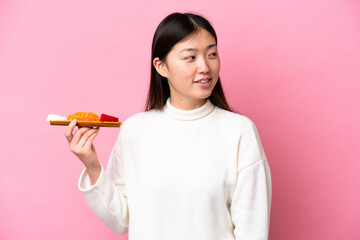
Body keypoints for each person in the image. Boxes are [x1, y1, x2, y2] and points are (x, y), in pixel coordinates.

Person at [65, 12, 272, 240]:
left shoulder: (239, 131)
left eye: (212, 54)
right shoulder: (135, 130)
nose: (205, 66)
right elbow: (121, 220)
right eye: (190, 57)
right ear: (161, 66)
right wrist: (93, 166)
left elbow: (252, 231)